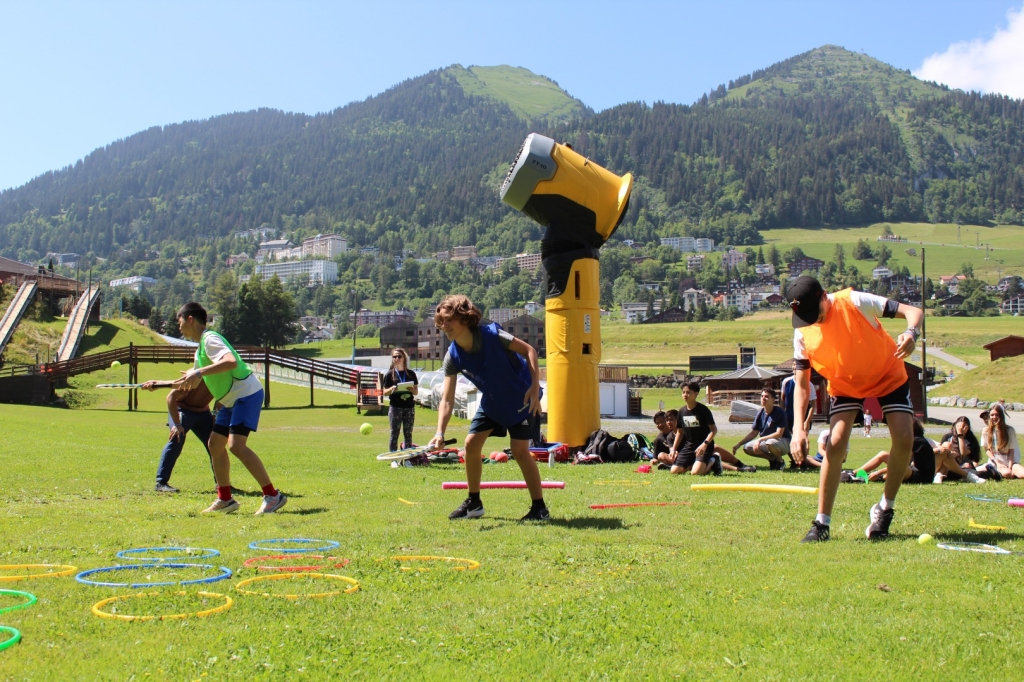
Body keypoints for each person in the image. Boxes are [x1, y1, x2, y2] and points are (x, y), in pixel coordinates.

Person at [786, 276, 924, 543]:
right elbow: (801, 385)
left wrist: (911, 333)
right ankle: (821, 523)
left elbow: (913, 311)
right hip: (845, 383)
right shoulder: (802, 332)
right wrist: (797, 431)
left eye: (817, 314)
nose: (815, 321)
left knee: (905, 437)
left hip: (887, 373)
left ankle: (884, 509)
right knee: (835, 443)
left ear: (824, 296)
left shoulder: (856, 301)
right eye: (807, 318)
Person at [427, 295, 547, 521]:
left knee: (520, 452)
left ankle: (539, 508)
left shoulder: (492, 335)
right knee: (471, 444)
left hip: (522, 399)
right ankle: (474, 503)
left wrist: (534, 387)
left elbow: (529, 350)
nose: (445, 326)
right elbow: (447, 399)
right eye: (441, 322)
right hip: (493, 402)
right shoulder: (452, 356)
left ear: (465, 318)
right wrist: (439, 433)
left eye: (449, 320)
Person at [175, 302, 287, 515]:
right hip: (230, 400)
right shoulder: (200, 349)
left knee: (236, 446)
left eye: (179, 322)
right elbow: (194, 382)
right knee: (215, 444)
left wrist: (197, 373)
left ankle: (273, 496)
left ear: (190, 319)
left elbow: (229, 362)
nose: (178, 327)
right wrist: (157, 384)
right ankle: (225, 499)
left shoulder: (211, 339)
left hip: (246, 394)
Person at [141, 378, 216, 493]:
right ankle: (161, 483)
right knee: (176, 438)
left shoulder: (222, 377)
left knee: (216, 444)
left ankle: (222, 484)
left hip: (203, 413)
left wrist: (216, 420)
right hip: (183, 409)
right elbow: (171, 396)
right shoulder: (196, 375)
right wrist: (176, 424)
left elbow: (222, 401)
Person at [853, 419, 985, 484]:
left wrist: (879, 471)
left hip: (921, 476)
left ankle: (875, 477)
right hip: (913, 470)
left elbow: (900, 463)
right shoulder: (915, 440)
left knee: (896, 471)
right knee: (883, 454)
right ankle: (855, 473)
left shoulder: (915, 441)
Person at [668, 381, 721, 476]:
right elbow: (680, 432)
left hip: (704, 445)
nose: (685, 395)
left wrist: (704, 445)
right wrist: (673, 449)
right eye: (683, 392)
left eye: (688, 392)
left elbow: (714, 430)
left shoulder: (703, 410)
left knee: (695, 473)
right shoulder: (681, 411)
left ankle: (714, 460)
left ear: (696, 394)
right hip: (689, 445)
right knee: (674, 471)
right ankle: (694, 463)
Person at [731, 387, 790, 470]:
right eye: (762, 396)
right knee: (747, 448)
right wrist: (739, 444)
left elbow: (779, 433)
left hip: (783, 442)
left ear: (773, 400)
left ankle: (780, 461)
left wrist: (760, 439)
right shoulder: (760, 412)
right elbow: (753, 433)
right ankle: (772, 459)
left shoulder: (779, 412)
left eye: (766, 396)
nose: (763, 398)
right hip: (767, 442)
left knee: (770, 442)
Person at [382, 347, 419, 451]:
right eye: (394, 356)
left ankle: (407, 459)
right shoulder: (389, 374)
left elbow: (416, 392)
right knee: (394, 434)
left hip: (409, 407)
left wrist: (412, 389)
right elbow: (384, 392)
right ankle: (394, 459)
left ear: (404, 358)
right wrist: (391, 389)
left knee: (408, 434)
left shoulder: (411, 374)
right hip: (395, 407)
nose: (397, 358)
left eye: (399, 356)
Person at [981, 403, 1023, 479]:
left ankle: (1010, 471)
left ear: (1001, 416)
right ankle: (994, 470)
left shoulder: (1009, 430)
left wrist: (1010, 466)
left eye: (997, 415)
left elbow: (1011, 451)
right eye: (992, 415)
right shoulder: (986, 431)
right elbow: (987, 449)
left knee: (1022, 474)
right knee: (1008, 474)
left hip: (1010, 461)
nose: (994, 417)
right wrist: (998, 463)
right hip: (996, 462)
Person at [937, 416, 983, 480]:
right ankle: (941, 475)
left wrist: (960, 435)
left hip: (966, 467)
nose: (960, 428)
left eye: (964, 426)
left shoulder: (971, 440)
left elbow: (963, 452)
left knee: (971, 473)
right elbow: (942, 452)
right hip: (949, 465)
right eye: (959, 426)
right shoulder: (947, 437)